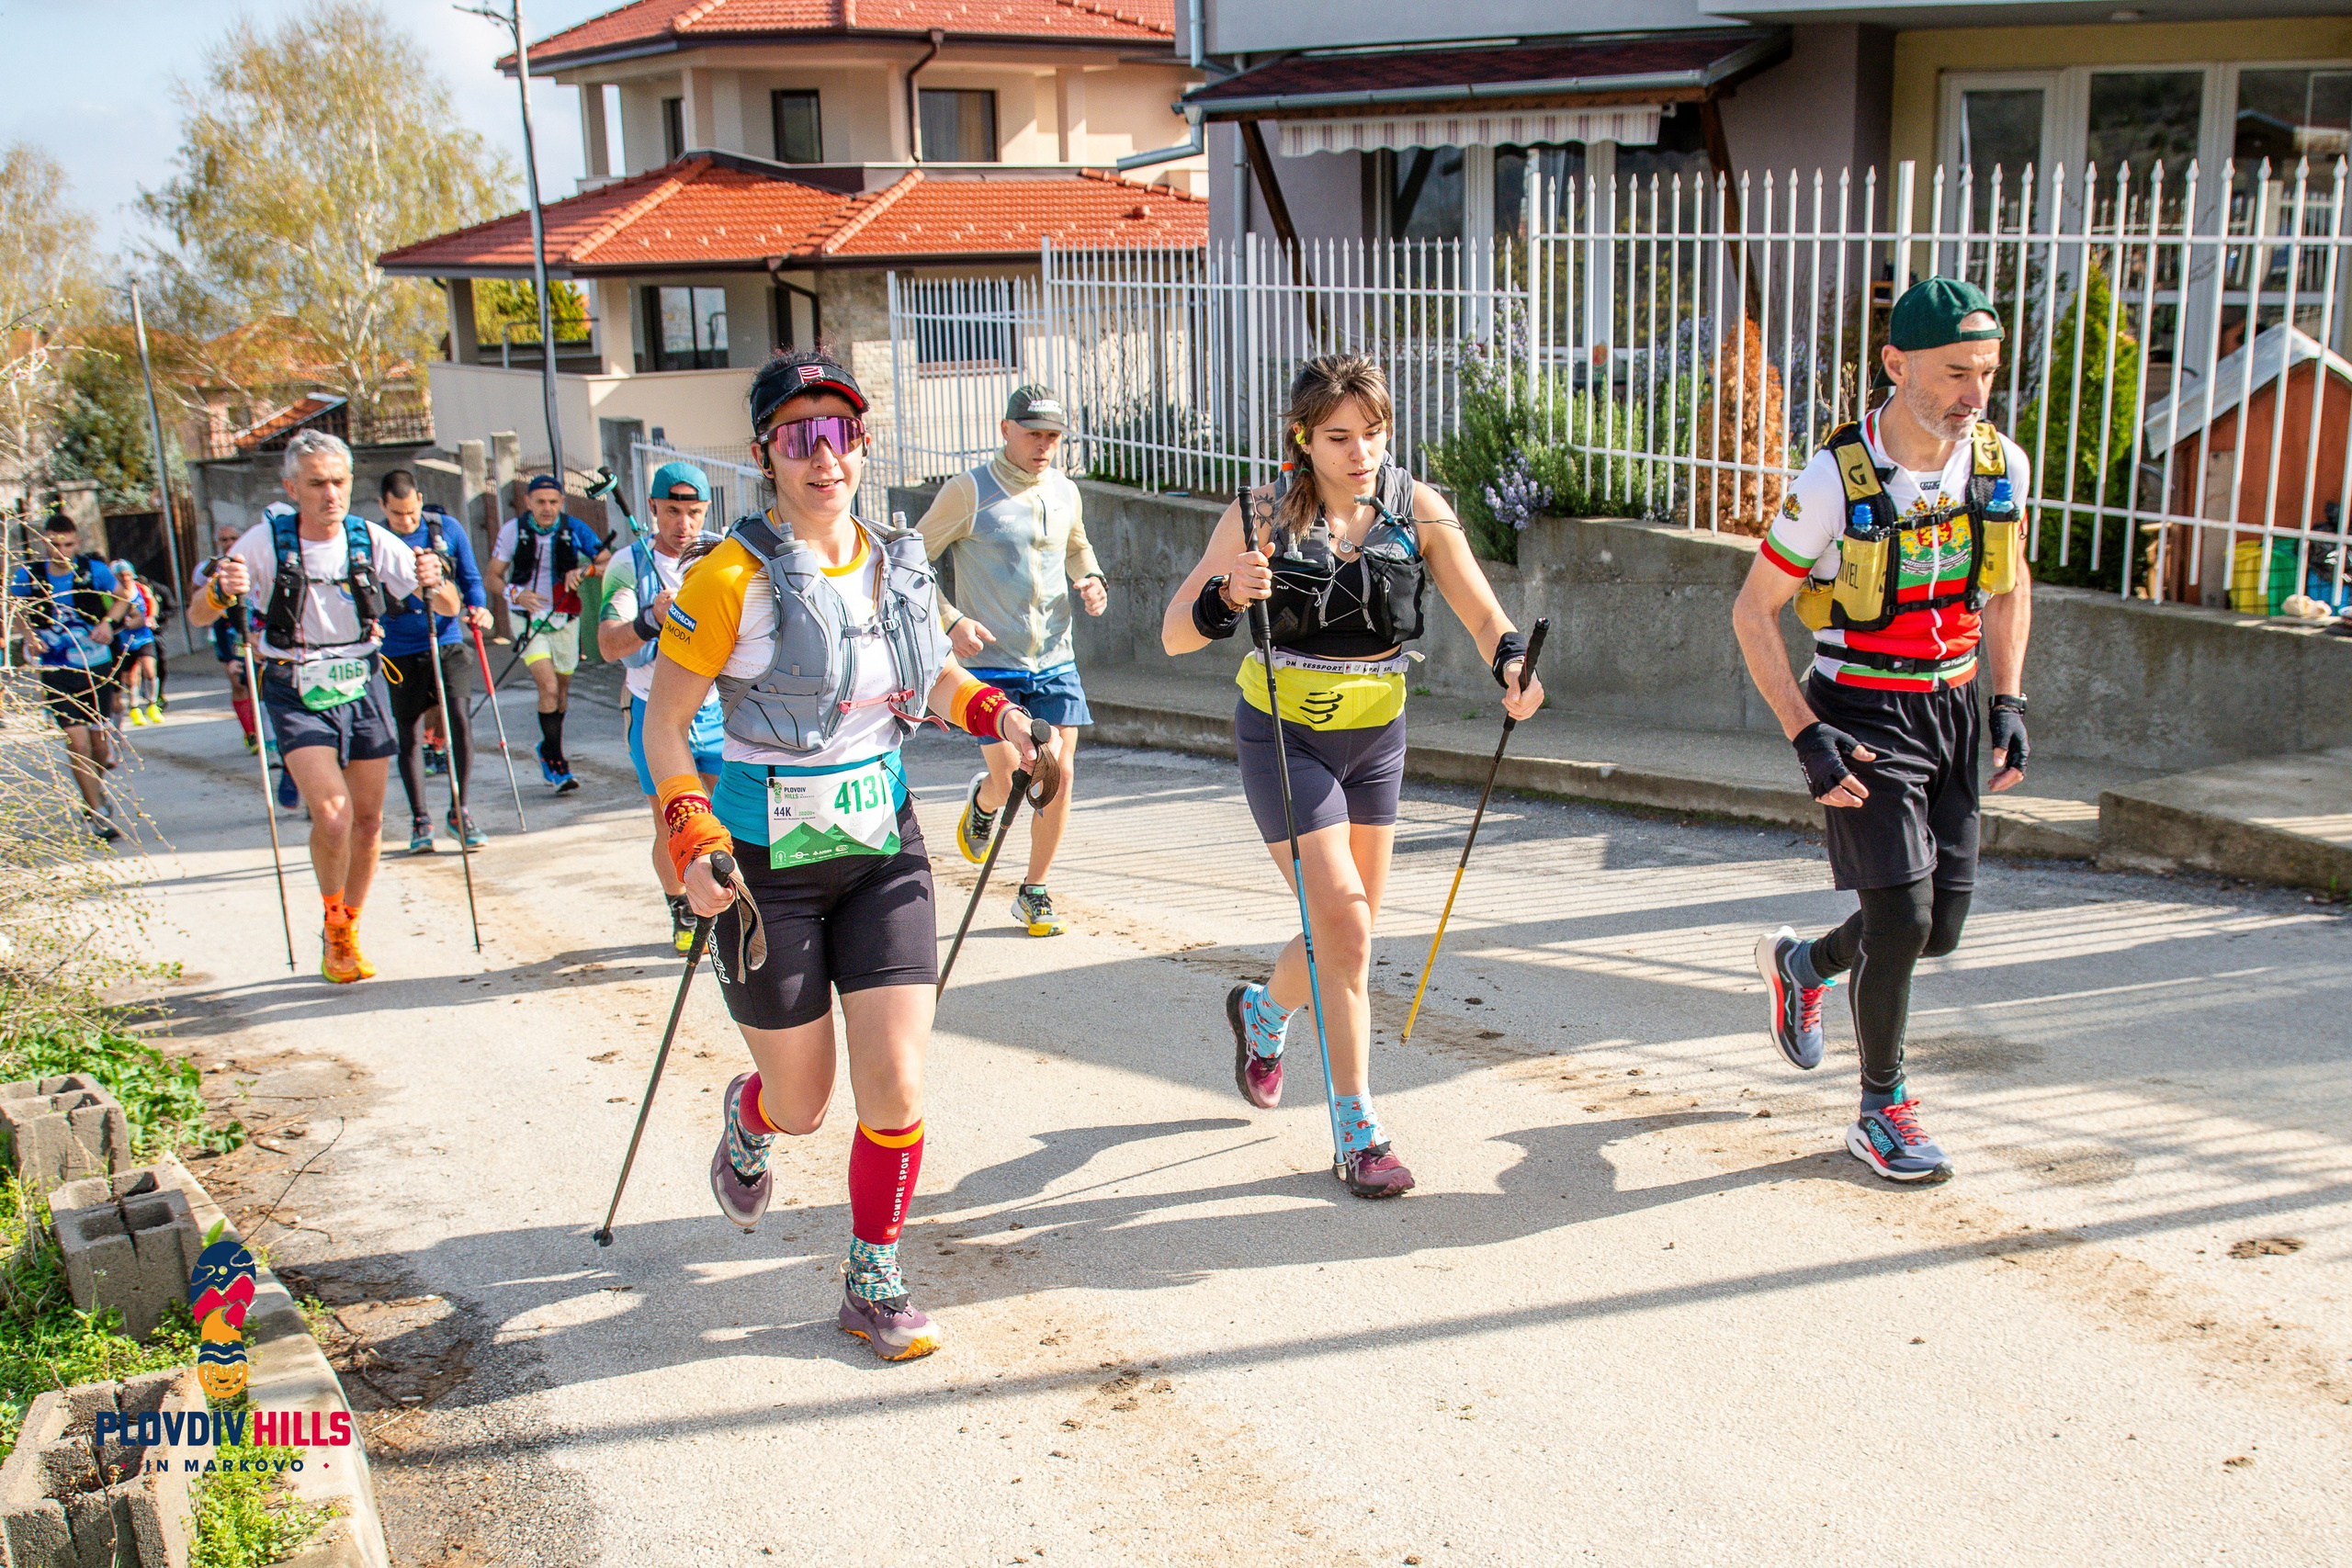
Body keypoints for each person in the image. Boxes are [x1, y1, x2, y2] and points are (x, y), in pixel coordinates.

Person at [648, 349, 1050, 1361]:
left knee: (897, 1085)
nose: (823, 455)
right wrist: (692, 833)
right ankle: (751, 1119)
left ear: (862, 444)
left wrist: (999, 716)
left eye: (840, 432)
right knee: (803, 1103)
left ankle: (873, 1277)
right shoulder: (726, 579)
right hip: (764, 874)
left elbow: (937, 675)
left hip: (882, 855)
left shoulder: (894, 561)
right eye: (799, 436)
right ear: (765, 455)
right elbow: (664, 727)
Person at [1159, 355, 1544, 1199]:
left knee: (1348, 930)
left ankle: (1263, 1010)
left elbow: (1485, 614)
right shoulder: (1260, 512)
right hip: (1285, 737)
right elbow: (1174, 634)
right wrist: (1226, 596)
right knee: (1342, 921)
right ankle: (1357, 1130)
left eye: (1373, 433)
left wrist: (1514, 665)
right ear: (1303, 436)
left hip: (1376, 742)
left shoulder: (1417, 508)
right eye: (1339, 437)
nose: (1361, 452)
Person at [1736, 277, 2034, 1187]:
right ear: (1896, 365)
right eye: (1954, 374)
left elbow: (2009, 586)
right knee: (1901, 918)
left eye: (1986, 373)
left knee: (1936, 930)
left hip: (1952, 707)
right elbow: (1753, 610)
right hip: (1861, 710)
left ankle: (1804, 966)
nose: (1974, 394)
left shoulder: (1999, 466)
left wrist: (2009, 701)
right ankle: (1881, 1110)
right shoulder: (1835, 478)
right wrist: (1805, 733)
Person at [189, 430, 449, 983]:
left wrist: (436, 579)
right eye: (316, 484)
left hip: (362, 681)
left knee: (369, 822)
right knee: (333, 816)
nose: (330, 494)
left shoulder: (370, 539)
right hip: (294, 683)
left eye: (338, 482)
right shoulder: (264, 543)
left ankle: (347, 927)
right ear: (291, 488)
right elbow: (197, 615)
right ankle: (333, 922)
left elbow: (446, 603)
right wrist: (219, 591)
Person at [918, 384, 1107, 938]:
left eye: (1053, 436)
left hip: (1055, 658)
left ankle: (1034, 890)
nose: (1044, 445)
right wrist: (950, 619)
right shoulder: (968, 492)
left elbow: (1076, 546)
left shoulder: (1065, 490)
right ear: (1006, 430)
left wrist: (1090, 578)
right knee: (1011, 779)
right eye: (1033, 434)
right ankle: (986, 798)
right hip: (990, 663)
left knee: (1058, 774)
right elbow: (911, 564)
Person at [598, 459, 727, 953]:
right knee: (672, 821)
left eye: (694, 512)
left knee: (724, 813)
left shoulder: (721, 555)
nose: (683, 524)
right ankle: (682, 908)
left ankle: (724, 899)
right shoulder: (628, 564)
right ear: (652, 508)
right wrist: (650, 620)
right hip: (652, 710)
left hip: (716, 709)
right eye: (672, 511)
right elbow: (608, 644)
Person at [378, 469, 491, 854]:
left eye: (412, 511)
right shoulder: (375, 541)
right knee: (409, 734)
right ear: (383, 507)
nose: (407, 520)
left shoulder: (447, 529)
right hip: (399, 649)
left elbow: (471, 579)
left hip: (447, 640)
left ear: (421, 500)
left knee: (459, 720)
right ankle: (420, 819)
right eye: (397, 514)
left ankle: (460, 810)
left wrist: (478, 608)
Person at [7, 511, 128, 840]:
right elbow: (15, 608)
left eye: (69, 544)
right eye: (55, 544)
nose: (62, 551)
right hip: (57, 669)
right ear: (44, 543)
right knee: (78, 743)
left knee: (99, 747)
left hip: (96, 666)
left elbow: (123, 598)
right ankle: (98, 813)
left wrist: (108, 623)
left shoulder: (94, 570)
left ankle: (94, 791)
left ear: (78, 543)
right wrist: (28, 635)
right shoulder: (29, 575)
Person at [488, 474, 607, 794]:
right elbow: (492, 577)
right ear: (528, 502)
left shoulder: (575, 529)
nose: (547, 508)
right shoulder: (512, 531)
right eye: (540, 502)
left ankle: (547, 747)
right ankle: (557, 763)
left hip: (565, 618)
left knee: (562, 692)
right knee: (549, 687)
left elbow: (609, 563)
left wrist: (586, 570)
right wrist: (515, 594)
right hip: (527, 618)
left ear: (562, 503)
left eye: (553, 502)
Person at [194, 522, 260, 752]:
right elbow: (196, 598)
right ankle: (251, 733)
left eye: (233, 538)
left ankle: (263, 732)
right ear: (217, 542)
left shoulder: (253, 559)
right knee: (237, 682)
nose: (229, 543)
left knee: (256, 683)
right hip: (225, 633)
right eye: (224, 540)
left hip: (251, 628)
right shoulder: (206, 568)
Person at [111, 560, 162, 726]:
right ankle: (135, 707)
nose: (125, 578)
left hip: (144, 636)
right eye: (121, 575)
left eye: (128, 574)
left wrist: (151, 617)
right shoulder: (113, 592)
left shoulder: (141, 589)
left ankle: (153, 704)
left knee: (149, 669)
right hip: (124, 640)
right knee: (131, 677)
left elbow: (152, 603)